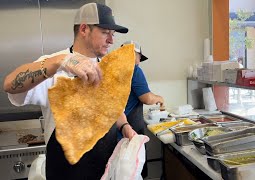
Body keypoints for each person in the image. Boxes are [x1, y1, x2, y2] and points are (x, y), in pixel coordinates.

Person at [3, 3, 136, 180]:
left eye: (112, 35)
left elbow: (113, 109)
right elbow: (9, 84)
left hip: (105, 169)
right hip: (66, 171)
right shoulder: (52, 66)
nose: (111, 40)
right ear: (84, 29)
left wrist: (125, 126)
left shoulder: (107, 68)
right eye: (105, 32)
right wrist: (60, 62)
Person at [121, 41, 164, 178]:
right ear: (133, 54)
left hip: (118, 130)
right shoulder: (134, 70)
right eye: (139, 56)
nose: (139, 61)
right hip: (131, 130)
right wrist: (160, 98)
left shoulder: (115, 70)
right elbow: (147, 98)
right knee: (135, 171)